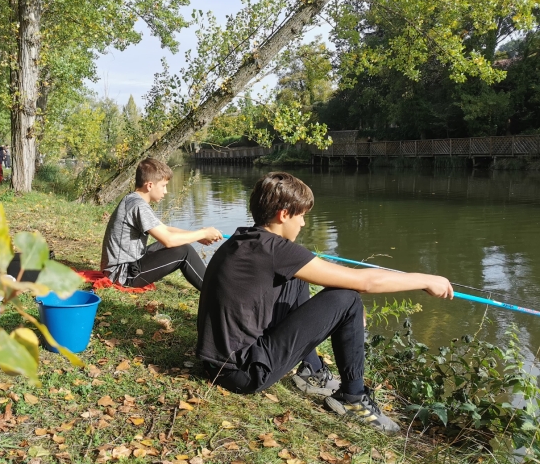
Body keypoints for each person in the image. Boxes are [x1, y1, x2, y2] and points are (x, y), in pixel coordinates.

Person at [196, 172, 453, 433]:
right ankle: (352, 398)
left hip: (219, 362)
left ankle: (312, 370)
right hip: (242, 373)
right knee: (349, 298)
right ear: (284, 214)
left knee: (299, 278)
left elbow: (324, 275)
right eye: (302, 216)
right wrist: (425, 279)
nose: (304, 224)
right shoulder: (276, 251)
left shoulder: (246, 238)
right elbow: (364, 283)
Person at [100, 157, 223, 290]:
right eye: (163, 186)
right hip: (122, 274)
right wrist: (203, 233)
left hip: (120, 269)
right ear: (150, 185)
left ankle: (215, 287)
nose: (166, 191)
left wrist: (198, 235)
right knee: (184, 251)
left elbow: (165, 229)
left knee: (181, 244)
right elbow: (169, 240)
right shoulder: (138, 206)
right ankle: (215, 291)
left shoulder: (133, 199)